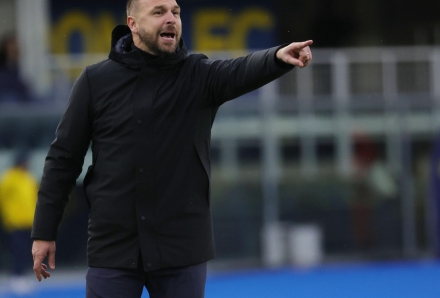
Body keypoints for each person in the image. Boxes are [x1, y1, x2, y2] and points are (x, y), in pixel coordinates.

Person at [31, 0, 313, 297]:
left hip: (182, 249)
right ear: (133, 24)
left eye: (175, 12)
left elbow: (239, 70)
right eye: (159, 12)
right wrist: (44, 231)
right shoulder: (94, 81)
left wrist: (278, 57)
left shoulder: (198, 75)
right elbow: (63, 160)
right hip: (113, 248)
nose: (171, 19)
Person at [0, 150, 38, 294]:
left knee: (27, 250)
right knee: (17, 250)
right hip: (15, 222)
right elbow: (2, 198)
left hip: (28, 222)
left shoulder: (28, 178)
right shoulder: (9, 178)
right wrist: (7, 216)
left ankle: (22, 275)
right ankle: (16, 277)